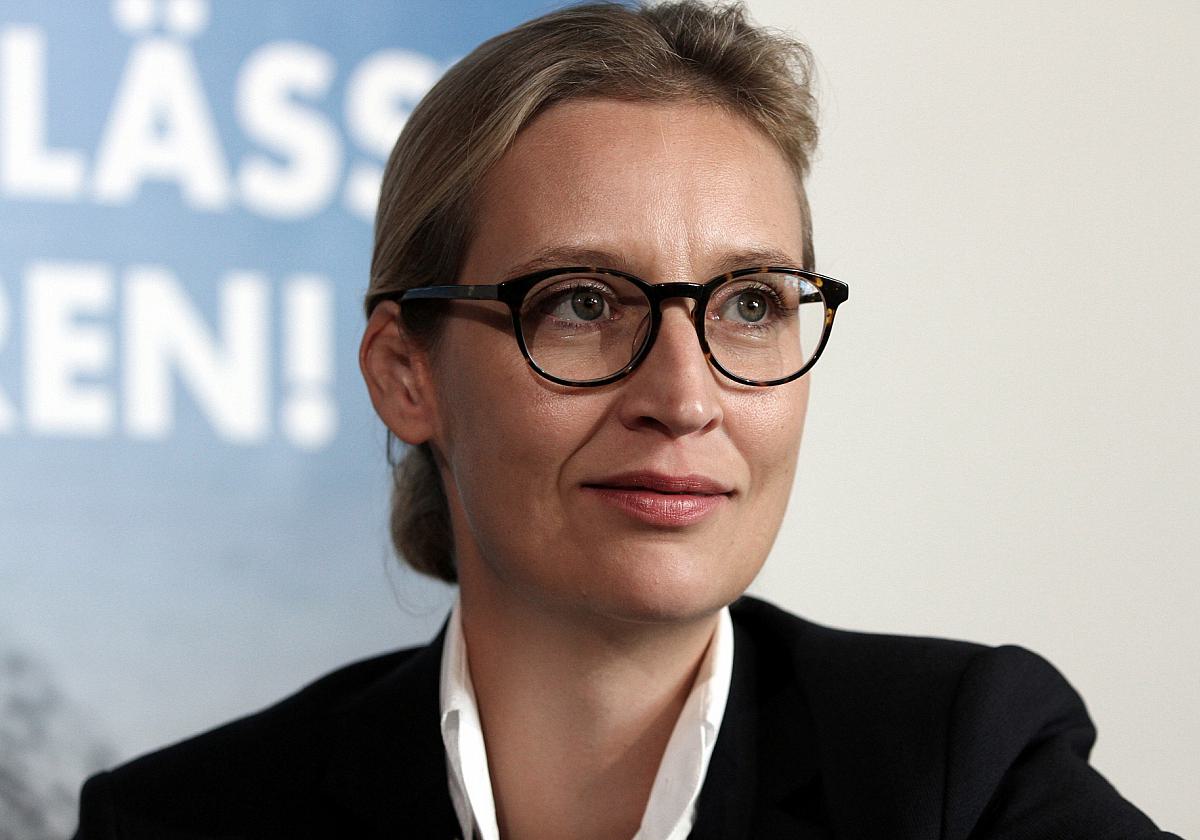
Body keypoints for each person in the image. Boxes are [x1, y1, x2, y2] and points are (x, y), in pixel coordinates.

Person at [73, 2, 1178, 838]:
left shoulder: (960, 772)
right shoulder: (181, 820)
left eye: (750, 305)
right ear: (406, 374)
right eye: (584, 305)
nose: (686, 399)